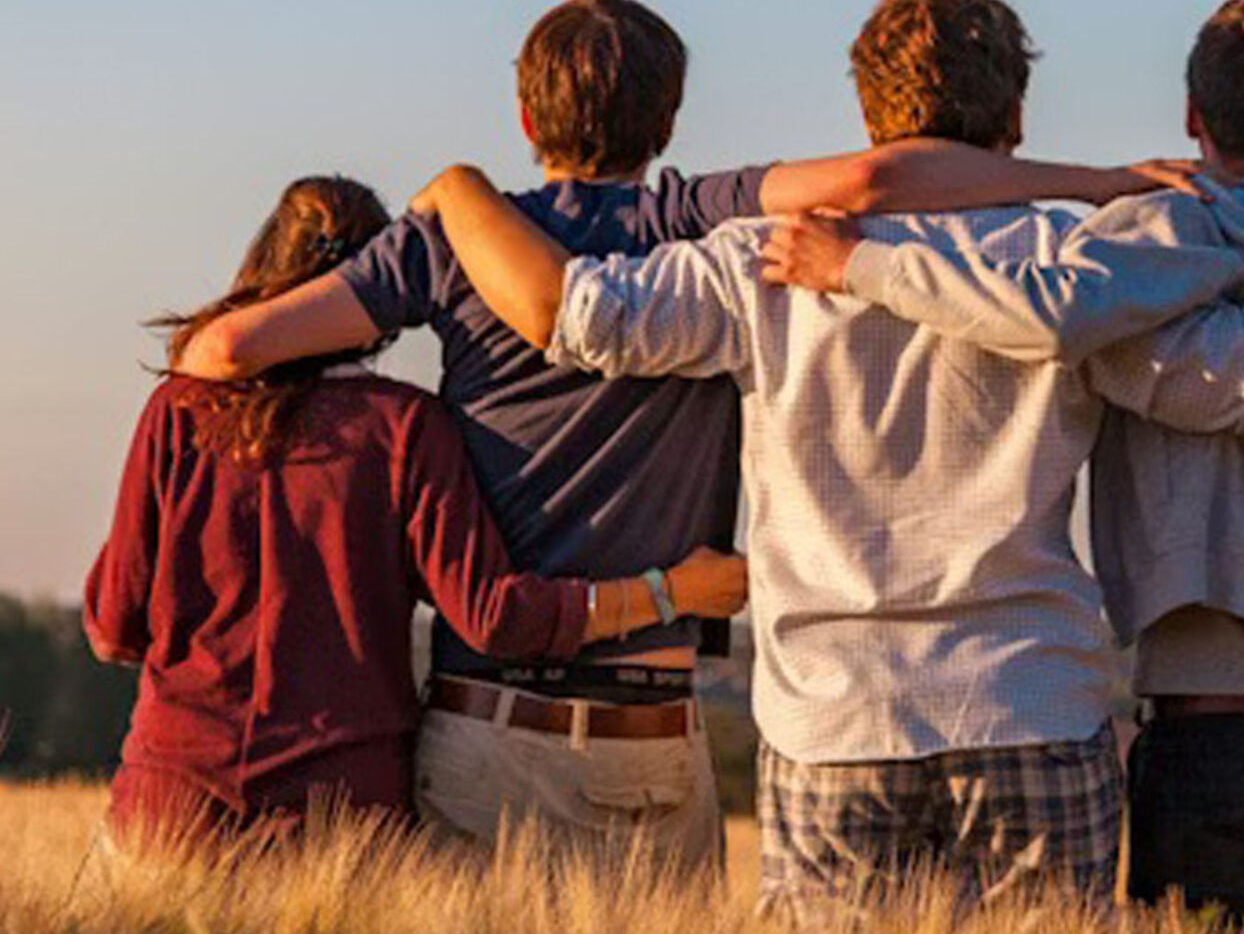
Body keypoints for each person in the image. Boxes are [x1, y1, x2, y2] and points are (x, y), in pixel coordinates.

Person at [409, 0, 1244, 923]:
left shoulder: (757, 259)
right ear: (1013, 120)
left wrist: (459, 192)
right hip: (1032, 702)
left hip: (832, 719)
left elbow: (579, 317)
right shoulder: (1075, 259)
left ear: (867, 116)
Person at [172, 0, 1204, 872]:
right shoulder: (695, 218)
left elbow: (223, 354)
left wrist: (433, 241)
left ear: (524, 117)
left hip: (488, 721)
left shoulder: (451, 242)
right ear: (667, 121)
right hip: (659, 732)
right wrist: (1098, 182)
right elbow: (874, 182)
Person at [765, 0, 1244, 933]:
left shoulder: (1126, 273)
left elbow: (1045, 318)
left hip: (1205, 747)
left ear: (1193, 117)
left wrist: (862, 265)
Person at [85, 175, 747, 853]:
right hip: (342, 816)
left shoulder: (178, 412)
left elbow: (114, 628)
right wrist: (672, 592)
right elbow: (495, 617)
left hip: (171, 805)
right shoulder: (405, 428)